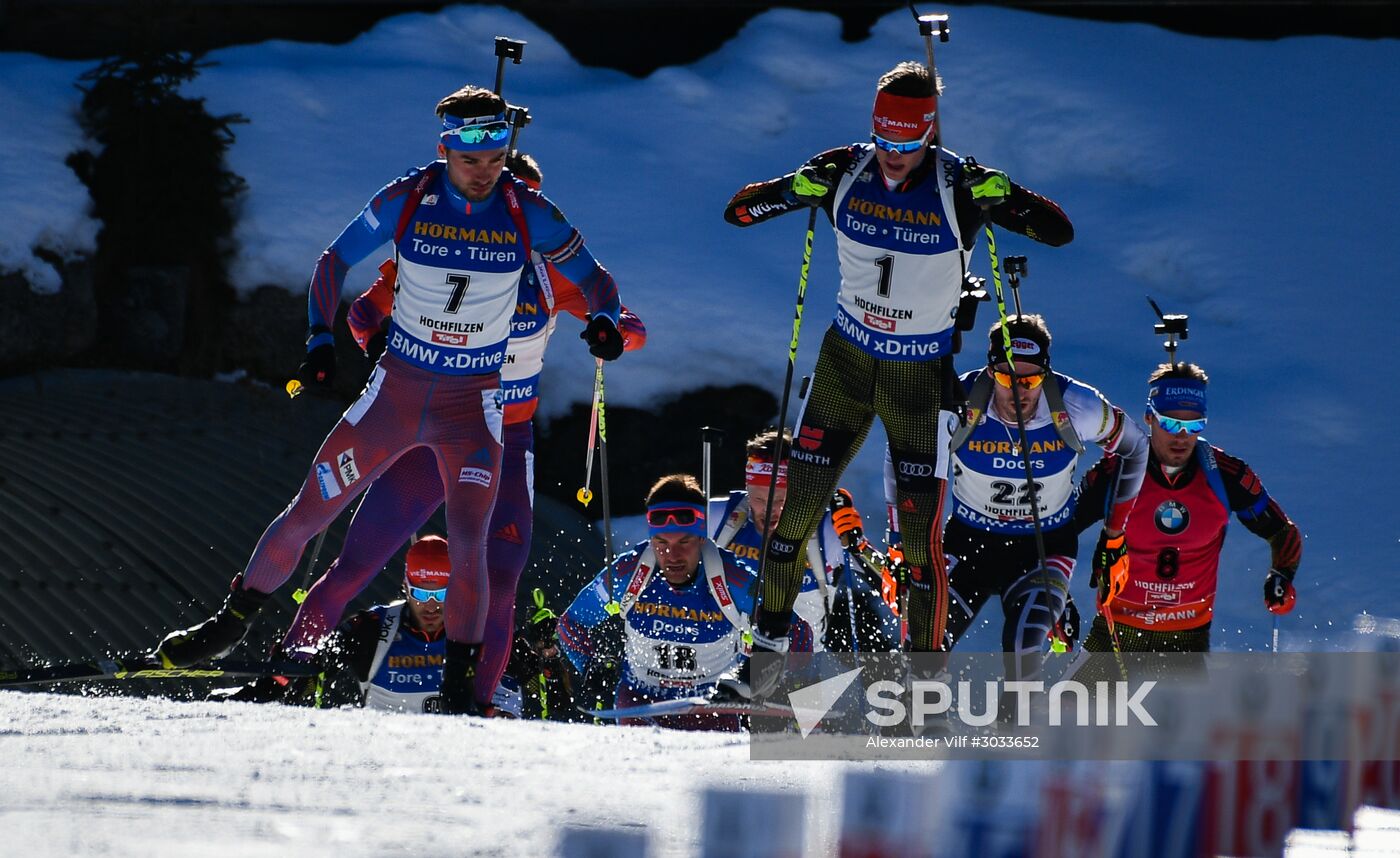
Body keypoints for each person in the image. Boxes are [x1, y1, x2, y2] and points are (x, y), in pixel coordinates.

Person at [153, 84, 625, 716]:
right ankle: (234, 625)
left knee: (472, 550)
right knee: (311, 515)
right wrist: (324, 338)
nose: (485, 175)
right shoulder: (408, 198)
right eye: (471, 160)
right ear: (445, 150)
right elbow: (334, 265)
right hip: (396, 399)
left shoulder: (530, 216)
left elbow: (600, 285)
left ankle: (462, 693)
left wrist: (606, 322)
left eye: (498, 161)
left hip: (477, 414)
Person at [717, 60, 1073, 698]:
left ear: (930, 133)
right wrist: (791, 188)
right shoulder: (845, 169)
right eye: (885, 139)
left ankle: (920, 690)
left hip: (918, 377)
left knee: (921, 547)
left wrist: (1008, 197)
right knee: (792, 518)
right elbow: (738, 215)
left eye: (908, 144)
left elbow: (1058, 231)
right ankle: (764, 668)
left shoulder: (958, 185)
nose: (893, 156)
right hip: (846, 364)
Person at [263, 151, 644, 713]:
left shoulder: (554, 272)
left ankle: (474, 703)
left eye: (523, 202)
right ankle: (280, 678)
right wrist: (386, 357)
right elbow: (364, 313)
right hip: (433, 431)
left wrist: (614, 335)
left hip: (505, 440)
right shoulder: (438, 255)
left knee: (500, 582)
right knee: (357, 564)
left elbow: (626, 322)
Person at [928, 314, 1147, 682]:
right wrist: (905, 539)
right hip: (969, 541)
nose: (1018, 391)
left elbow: (1136, 447)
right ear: (989, 371)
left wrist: (1114, 535)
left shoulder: (1077, 406)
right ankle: (918, 727)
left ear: (1046, 374)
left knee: (1023, 644)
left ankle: (1017, 732)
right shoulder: (959, 402)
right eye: (1005, 377)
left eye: (1030, 380)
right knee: (926, 637)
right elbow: (904, 454)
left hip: (1043, 547)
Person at [1070, 362, 1303, 653]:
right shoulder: (1115, 473)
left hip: (1188, 639)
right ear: (1149, 418)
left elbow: (1281, 531)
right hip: (1116, 634)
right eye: (1169, 423)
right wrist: (1056, 595)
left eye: (1193, 426)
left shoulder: (1225, 474)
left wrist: (1281, 575)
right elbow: (1057, 531)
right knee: (1066, 701)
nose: (1181, 436)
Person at [558, 474, 813, 731]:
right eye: (661, 543)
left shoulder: (731, 578)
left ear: (702, 538)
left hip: (713, 704)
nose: (672, 556)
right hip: (640, 700)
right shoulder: (629, 573)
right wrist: (590, 665)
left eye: (684, 542)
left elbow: (798, 631)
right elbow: (570, 623)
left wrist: (758, 678)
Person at [710, 429, 898, 652]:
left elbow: (895, 590)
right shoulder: (720, 518)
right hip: (731, 659)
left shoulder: (825, 530)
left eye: (781, 499)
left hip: (798, 664)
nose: (769, 509)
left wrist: (858, 545)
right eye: (759, 498)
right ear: (747, 488)